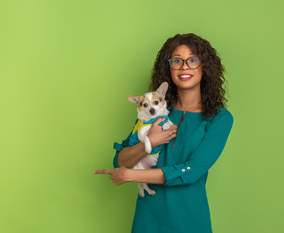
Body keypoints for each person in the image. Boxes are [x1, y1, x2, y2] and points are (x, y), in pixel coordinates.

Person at [93, 33, 234, 233]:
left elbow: (192, 171)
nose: (184, 66)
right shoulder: (152, 111)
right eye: (177, 60)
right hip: (148, 219)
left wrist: (131, 175)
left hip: (190, 220)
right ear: (168, 68)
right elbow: (121, 161)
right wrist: (148, 142)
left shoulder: (219, 119)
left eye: (193, 59)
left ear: (205, 66)